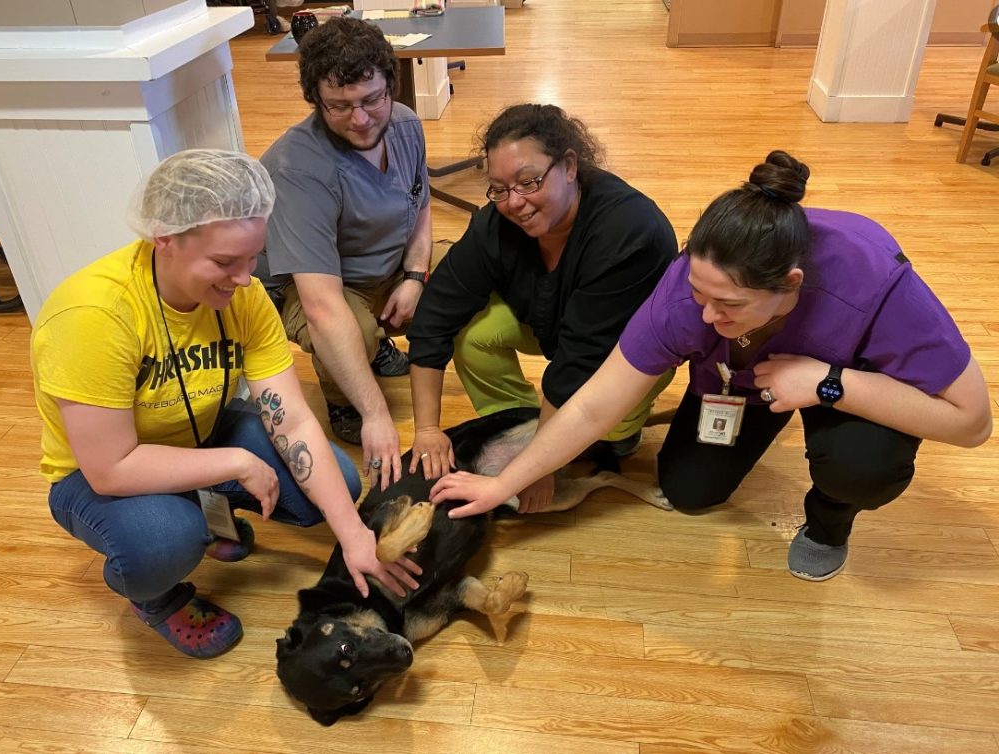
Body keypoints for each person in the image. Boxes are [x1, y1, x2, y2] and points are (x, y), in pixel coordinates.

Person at [429, 150, 992, 581]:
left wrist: (827, 383)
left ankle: (830, 519)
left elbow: (972, 423)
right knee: (690, 490)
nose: (705, 313)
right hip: (741, 385)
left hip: (845, 380)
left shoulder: (873, 277)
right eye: (699, 292)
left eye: (729, 305)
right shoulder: (689, 292)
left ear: (790, 284)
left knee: (862, 463)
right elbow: (597, 402)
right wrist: (506, 480)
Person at [31, 149, 420, 660]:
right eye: (223, 262)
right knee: (164, 542)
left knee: (336, 489)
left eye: (252, 257)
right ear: (163, 239)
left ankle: (201, 507)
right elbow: (110, 468)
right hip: (96, 472)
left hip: (200, 427)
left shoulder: (245, 295)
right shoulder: (93, 316)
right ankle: (156, 596)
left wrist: (351, 533)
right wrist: (237, 461)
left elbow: (295, 419)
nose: (243, 279)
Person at [406, 104, 678, 513]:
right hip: (551, 323)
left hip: (621, 353)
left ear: (569, 165)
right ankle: (520, 423)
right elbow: (435, 314)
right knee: (473, 334)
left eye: (529, 181)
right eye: (498, 189)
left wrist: (536, 470)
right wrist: (426, 428)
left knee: (610, 428)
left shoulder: (628, 232)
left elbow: (578, 363)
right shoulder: (497, 225)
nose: (514, 203)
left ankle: (619, 429)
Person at [257, 16, 431, 490]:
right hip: (323, 284)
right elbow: (321, 304)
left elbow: (420, 205)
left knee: (472, 280)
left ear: (390, 86)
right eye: (339, 106)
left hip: (390, 266)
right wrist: (375, 413)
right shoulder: (298, 167)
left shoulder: (406, 124)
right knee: (351, 329)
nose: (360, 119)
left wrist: (416, 276)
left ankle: (371, 348)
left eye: (372, 99)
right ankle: (342, 398)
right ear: (315, 100)